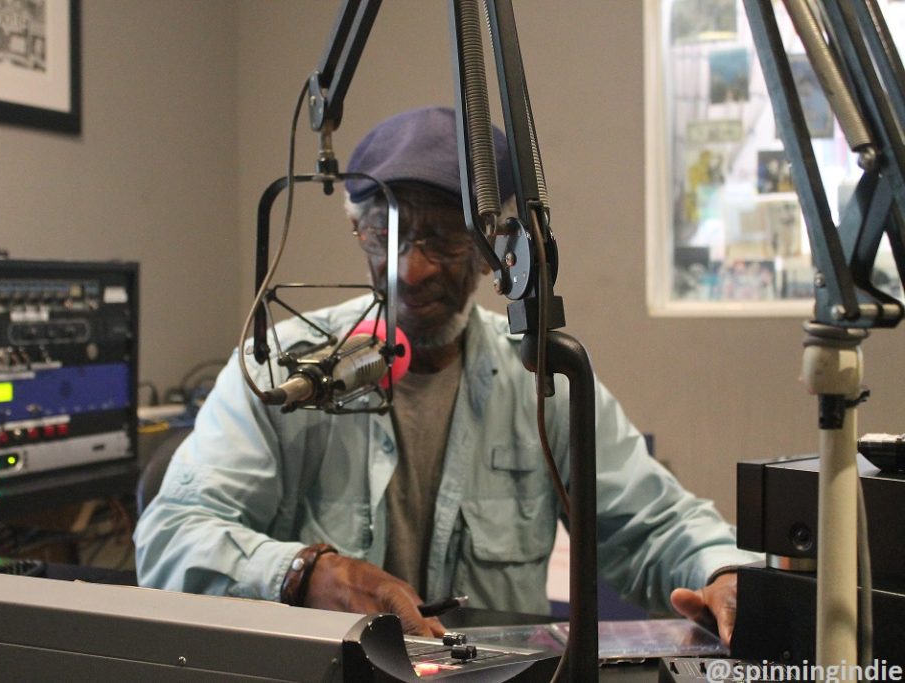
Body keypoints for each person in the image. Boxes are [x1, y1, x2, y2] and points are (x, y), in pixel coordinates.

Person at [134, 106, 760, 644]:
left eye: (443, 238)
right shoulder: (283, 366)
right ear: (358, 233)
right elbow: (171, 538)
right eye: (387, 234)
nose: (410, 271)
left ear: (497, 251)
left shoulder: (539, 381)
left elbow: (653, 524)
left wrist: (723, 574)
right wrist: (306, 573)